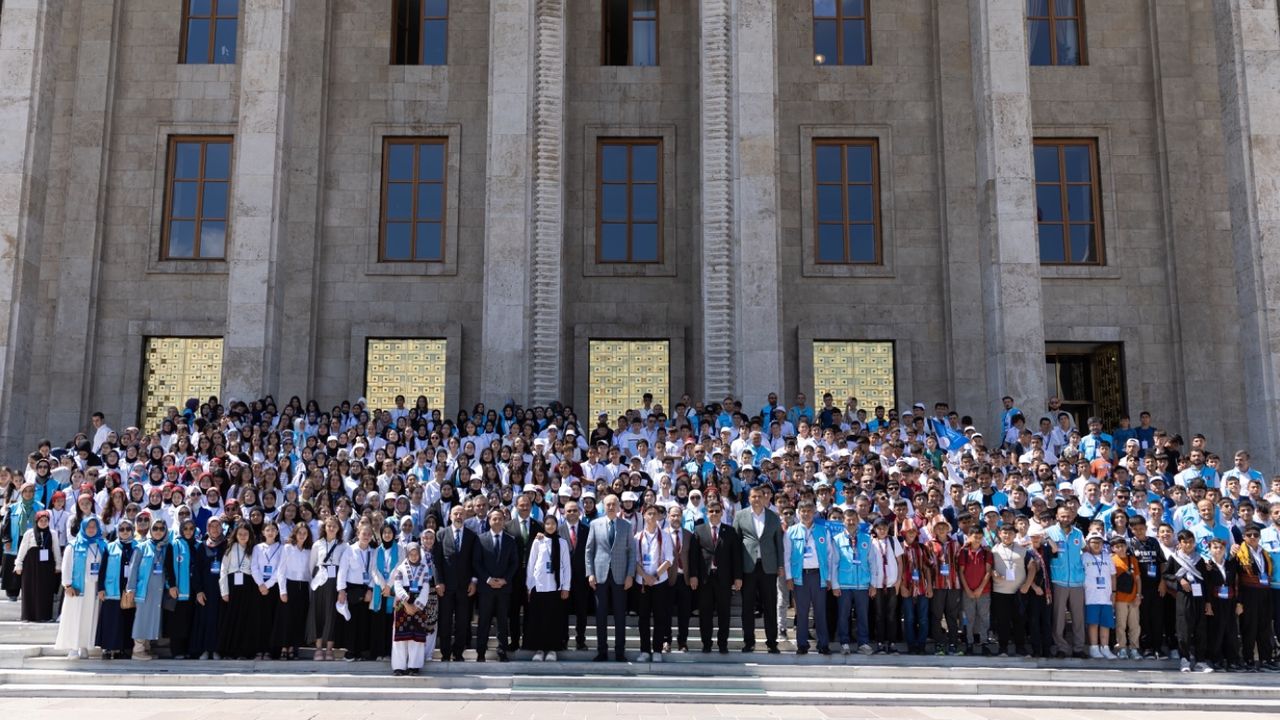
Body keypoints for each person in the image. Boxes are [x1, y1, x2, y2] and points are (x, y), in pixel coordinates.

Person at [733, 486, 784, 654]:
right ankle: (749, 642)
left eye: (759, 496)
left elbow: (779, 543)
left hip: (768, 567)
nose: (757, 499)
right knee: (747, 607)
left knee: (770, 605)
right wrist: (737, 572)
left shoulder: (773, 517)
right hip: (748, 567)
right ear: (749, 498)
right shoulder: (740, 516)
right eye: (753, 496)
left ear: (765, 497)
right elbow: (735, 545)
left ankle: (772, 642)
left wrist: (780, 565)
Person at [586, 494, 634, 662]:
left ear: (619, 506)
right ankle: (602, 651)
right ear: (604, 506)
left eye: (614, 504)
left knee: (620, 615)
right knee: (601, 615)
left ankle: (620, 651)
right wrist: (590, 573)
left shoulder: (626, 525)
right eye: (608, 504)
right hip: (600, 576)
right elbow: (589, 551)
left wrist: (630, 575)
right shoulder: (595, 524)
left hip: (620, 576)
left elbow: (632, 552)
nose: (611, 507)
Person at [688, 501, 740, 654]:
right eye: (711, 511)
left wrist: (737, 577)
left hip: (724, 579)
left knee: (724, 612)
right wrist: (693, 575)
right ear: (707, 513)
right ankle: (706, 643)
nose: (714, 514)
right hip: (705, 579)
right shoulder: (699, 530)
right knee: (705, 613)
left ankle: (723, 644)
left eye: (717, 511)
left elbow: (736, 556)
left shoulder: (730, 531)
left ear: (722, 512)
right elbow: (693, 556)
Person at [783, 500, 830, 655]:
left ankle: (823, 644)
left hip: (818, 575)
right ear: (798, 512)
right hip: (800, 576)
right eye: (803, 511)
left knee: (820, 612)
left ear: (814, 512)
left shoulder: (823, 531)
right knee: (802, 612)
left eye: (809, 511)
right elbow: (786, 556)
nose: (806, 514)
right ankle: (802, 644)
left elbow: (830, 555)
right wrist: (789, 577)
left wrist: (829, 577)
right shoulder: (791, 531)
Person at [55, 516, 105, 658]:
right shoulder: (73, 545)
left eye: (94, 527)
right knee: (74, 617)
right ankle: (72, 647)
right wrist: (67, 585)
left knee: (89, 618)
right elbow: (66, 566)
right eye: (88, 526)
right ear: (83, 528)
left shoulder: (102, 545)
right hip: (77, 588)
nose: (91, 529)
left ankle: (84, 646)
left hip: (94, 588)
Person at [525, 513, 571, 661]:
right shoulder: (538, 541)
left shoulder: (562, 542)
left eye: (553, 523)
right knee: (539, 619)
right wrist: (529, 586)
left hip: (556, 587)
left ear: (557, 526)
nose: (551, 526)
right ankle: (539, 650)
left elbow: (567, 566)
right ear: (544, 526)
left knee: (553, 619)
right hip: (539, 586)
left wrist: (566, 587)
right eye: (548, 524)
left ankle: (552, 649)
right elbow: (531, 564)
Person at [1165, 529, 1213, 672]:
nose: (1188, 545)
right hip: (1183, 596)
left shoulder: (1199, 559)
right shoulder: (1174, 558)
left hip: (1199, 596)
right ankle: (1184, 659)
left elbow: (1206, 581)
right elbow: (1166, 575)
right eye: (1185, 542)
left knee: (1201, 629)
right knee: (1184, 628)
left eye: (1191, 542)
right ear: (1180, 543)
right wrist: (1179, 579)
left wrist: (1208, 602)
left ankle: (1200, 661)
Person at [474, 508, 518, 662]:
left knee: (502, 622)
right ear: (489, 521)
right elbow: (477, 562)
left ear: (504, 520)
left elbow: (514, 563)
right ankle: (481, 652)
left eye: (500, 518)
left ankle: (502, 651)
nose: (497, 521)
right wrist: (488, 579)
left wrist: (505, 579)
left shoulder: (510, 540)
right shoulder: (481, 539)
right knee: (484, 621)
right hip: (486, 588)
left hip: (504, 588)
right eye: (494, 519)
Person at [390, 538, 439, 675]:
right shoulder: (401, 568)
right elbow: (397, 586)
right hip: (403, 604)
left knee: (417, 637)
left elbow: (426, 587)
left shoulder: (424, 568)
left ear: (419, 553)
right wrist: (406, 603)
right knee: (399, 637)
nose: (413, 556)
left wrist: (417, 606)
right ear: (407, 554)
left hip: (419, 604)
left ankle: (414, 666)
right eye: (411, 554)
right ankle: (399, 667)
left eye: (416, 553)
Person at [1046, 505, 1087, 658]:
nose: (1065, 519)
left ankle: (1078, 648)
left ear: (1073, 517)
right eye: (1062, 516)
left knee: (1078, 617)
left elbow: (1085, 550)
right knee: (1059, 616)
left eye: (1068, 516)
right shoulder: (1049, 532)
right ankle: (1061, 648)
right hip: (1058, 579)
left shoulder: (1078, 533)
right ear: (1057, 517)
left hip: (1077, 580)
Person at [436, 505, 477, 662]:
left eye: (461, 514)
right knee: (445, 621)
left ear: (465, 516)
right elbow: (437, 561)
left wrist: (474, 581)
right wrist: (439, 581)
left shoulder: (472, 536)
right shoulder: (441, 534)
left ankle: (458, 652)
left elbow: (475, 561)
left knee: (462, 622)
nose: (458, 516)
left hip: (464, 587)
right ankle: (445, 653)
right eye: (456, 513)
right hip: (446, 587)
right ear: (450, 516)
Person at [634, 503, 674, 662]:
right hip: (642, 583)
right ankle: (644, 650)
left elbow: (669, 560)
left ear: (658, 516)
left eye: (654, 514)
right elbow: (635, 561)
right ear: (644, 516)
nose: (651, 516)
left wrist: (655, 576)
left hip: (660, 581)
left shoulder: (665, 536)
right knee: (643, 617)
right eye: (649, 513)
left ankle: (657, 650)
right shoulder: (637, 537)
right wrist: (645, 576)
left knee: (659, 616)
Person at [1233, 525, 1275, 672]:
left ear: (1259, 537)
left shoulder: (1265, 553)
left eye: (1256, 535)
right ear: (1244, 537)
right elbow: (1236, 579)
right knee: (1249, 628)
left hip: (1264, 592)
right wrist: (1238, 601)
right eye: (1249, 535)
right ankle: (1248, 660)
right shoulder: (1239, 554)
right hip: (1248, 594)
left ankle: (1265, 659)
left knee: (1264, 627)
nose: (1252, 537)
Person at [338, 523, 382, 662]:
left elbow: (374, 572)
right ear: (358, 534)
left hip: (366, 588)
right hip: (352, 588)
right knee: (351, 620)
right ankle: (350, 651)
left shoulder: (373, 552)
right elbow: (342, 571)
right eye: (364, 534)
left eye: (369, 534)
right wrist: (341, 590)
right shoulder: (349, 550)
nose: (366, 536)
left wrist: (370, 589)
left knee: (364, 621)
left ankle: (361, 651)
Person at [128, 516, 170, 660]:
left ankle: (146, 647)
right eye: (155, 528)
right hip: (144, 590)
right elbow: (133, 569)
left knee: (151, 618)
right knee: (142, 618)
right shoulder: (141, 547)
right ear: (151, 530)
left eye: (161, 528)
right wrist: (131, 589)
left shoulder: (166, 547)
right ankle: (137, 650)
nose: (158, 531)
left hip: (159, 591)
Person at [95, 519, 135, 659]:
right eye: (122, 529)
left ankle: (122, 649)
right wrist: (101, 588)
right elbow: (102, 569)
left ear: (132, 531)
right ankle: (107, 649)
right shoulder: (110, 547)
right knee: (110, 619)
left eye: (128, 529)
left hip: (129, 589)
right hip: (112, 588)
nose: (125, 532)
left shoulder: (138, 546)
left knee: (126, 619)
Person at [311, 515, 349, 661]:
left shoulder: (343, 546)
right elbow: (311, 565)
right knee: (318, 613)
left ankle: (329, 649)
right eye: (329, 526)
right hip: (319, 581)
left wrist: (341, 588)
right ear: (324, 527)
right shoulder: (317, 544)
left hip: (335, 582)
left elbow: (344, 567)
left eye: (334, 526)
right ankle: (318, 648)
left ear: (339, 528)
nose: (331, 528)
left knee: (332, 614)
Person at [219, 522, 258, 660]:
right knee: (231, 619)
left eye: (245, 534)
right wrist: (224, 591)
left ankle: (243, 652)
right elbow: (223, 570)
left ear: (250, 535)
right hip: (232, 585)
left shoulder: (253, 549)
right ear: (236, 535)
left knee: (245, 619)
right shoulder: (230, 548)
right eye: (240, 534)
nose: (242, 536)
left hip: (247, 586)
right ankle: (228, 651)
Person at [190, 516, 226, 660]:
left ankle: (216, 650)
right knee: (205, 620)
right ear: (207, 528)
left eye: (218, 526)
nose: (215, 529)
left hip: (221, 590)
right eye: (212, 526)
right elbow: (196, 571)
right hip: (205, 590)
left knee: (219, 620)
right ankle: (205, 649)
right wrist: (198, 591)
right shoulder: (202, 546)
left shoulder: (226, 545)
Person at [15, 509, 60, 622]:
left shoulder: (53, 533)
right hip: (31, 564)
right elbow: (23, 549)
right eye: (41, 520)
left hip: (46, 566)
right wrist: (18, 564)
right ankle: (28, 616)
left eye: (46, 520)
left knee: (45, 590)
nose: (43, 523)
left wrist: (58, 565)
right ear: (36, 521)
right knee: (29, 588)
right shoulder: (29, 533)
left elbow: (56, 549)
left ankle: (44, 616)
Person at [276, 522, 313, 660]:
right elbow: (281, 570)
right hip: (290, 586)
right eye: (299, 533)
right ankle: (284, 647)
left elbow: (310, 573)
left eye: (305, 533)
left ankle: (293, 647)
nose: (302, 535)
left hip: (303, 587)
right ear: (295, 534)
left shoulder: (309, 550)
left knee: (299, 618)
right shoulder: (287, 548)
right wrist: (283, 591)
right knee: (287, 619)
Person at [990, 524, 1027, 657]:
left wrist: (1027, 585)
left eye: (1010, 533)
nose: (1007, 535)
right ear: (999, 534)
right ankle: (1003, 648)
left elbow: (1031, 567)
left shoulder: (1023, 549)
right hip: (1000, 591)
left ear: (1015, 534)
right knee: (1002, 621)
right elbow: (988, 567)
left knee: (1019, 620)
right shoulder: (994, 550)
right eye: (1004, 533)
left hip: (1019, 591)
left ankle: (1020, 647)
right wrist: (993, 572)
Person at [928, 517, 963, 656]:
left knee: (952, 615)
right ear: (934, 529)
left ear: (948, 528)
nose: (941, 529)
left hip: (953, 584)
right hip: (937, 584)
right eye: (938, 527)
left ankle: (953, 644)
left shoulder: (955, 543)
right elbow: (927, 566)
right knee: (936, 615)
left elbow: (959, 563)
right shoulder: (929, 544)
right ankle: (939, 644)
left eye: (944, 526)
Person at [898, 522, 934, 656]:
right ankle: (911, 645)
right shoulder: (899, 548)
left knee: (923, 618)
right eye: (909, 531)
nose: (911, 533)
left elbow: (927, 568)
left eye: (913, 531)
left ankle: (921, 645)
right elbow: (897, 569)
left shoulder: (922, 547)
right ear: (904, 533)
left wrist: (929, 586)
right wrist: (902, 586)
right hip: (907, 587)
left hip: (922, 587)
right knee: (909, 618)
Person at [3, 482, 43, 601]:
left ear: (34, 493)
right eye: (25, 491)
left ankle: (29, 591)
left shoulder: (40, 507)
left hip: (32, 540)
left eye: (31, 491)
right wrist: (7, 539)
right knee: (13, 563)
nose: (28, 493)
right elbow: (5, 525)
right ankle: (12, 592)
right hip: (16, 539)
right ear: (21, 493)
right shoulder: (13, 507)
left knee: (30, 564)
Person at [956, 526, 991, 656]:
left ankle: (984, 642)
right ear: (969, 537)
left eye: (980, 538)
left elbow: (988, 572)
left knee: (984, 617)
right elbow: (961, 572)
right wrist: (968, 590)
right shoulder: (964, 552)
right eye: (975, 537)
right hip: (968, 591)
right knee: (968, 618)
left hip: (984, 591)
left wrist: (980, 588)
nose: (977, 540)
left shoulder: (986, 552)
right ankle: (969, 643)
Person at [1081, 532, 1117, 659]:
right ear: (1088, 543)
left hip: (1106, 596)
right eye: (1093, 542)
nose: (1097, 545)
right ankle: (1094, 647)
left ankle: (1105, 648)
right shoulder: (1083, 557)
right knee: (1093, 623)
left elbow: (1113, 576)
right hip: (1090, 596)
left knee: (1105, 623)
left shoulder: (1107, 557)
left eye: (1099, 542)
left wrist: (1114, 592)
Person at [664, 503, 694, 653]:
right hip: (667, 579)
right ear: (668, 517)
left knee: (684, 613)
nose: (676, 518)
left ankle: (682, 641)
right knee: (666, 612)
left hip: (685, 579)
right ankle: (666, 641)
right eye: (673, 515)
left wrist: (693, 576)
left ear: (682, 517)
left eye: (678, 515)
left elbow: (693, 558)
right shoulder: (662, 534)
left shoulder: (689, 535)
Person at [253, 521, 285, 660]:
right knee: (259, 619)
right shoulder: (257, 548)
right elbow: (254, 567)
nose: (270, 532)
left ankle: (270, 651)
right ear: (263, 532)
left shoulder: (282, 548)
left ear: (277, 532)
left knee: (272, 619)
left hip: (274, 587)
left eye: (273, 530)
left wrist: (268, 584)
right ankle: (259, 649)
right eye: (268, 530)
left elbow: (280, 569)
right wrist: (261, 584)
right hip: (259, 587)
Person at [1111, 535, 1142, 659]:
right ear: (1113, 548)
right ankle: (1121, 647)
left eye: (1123, 546)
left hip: (1133, 598)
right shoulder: (1112, 560)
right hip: (1119, 598)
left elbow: (1138, 579)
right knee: (1120, 625)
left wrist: (1138, 595)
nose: (1121, 548)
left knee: (1135, 625)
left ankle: (1134, 648)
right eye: (1117, 546)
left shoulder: (1132, 559)